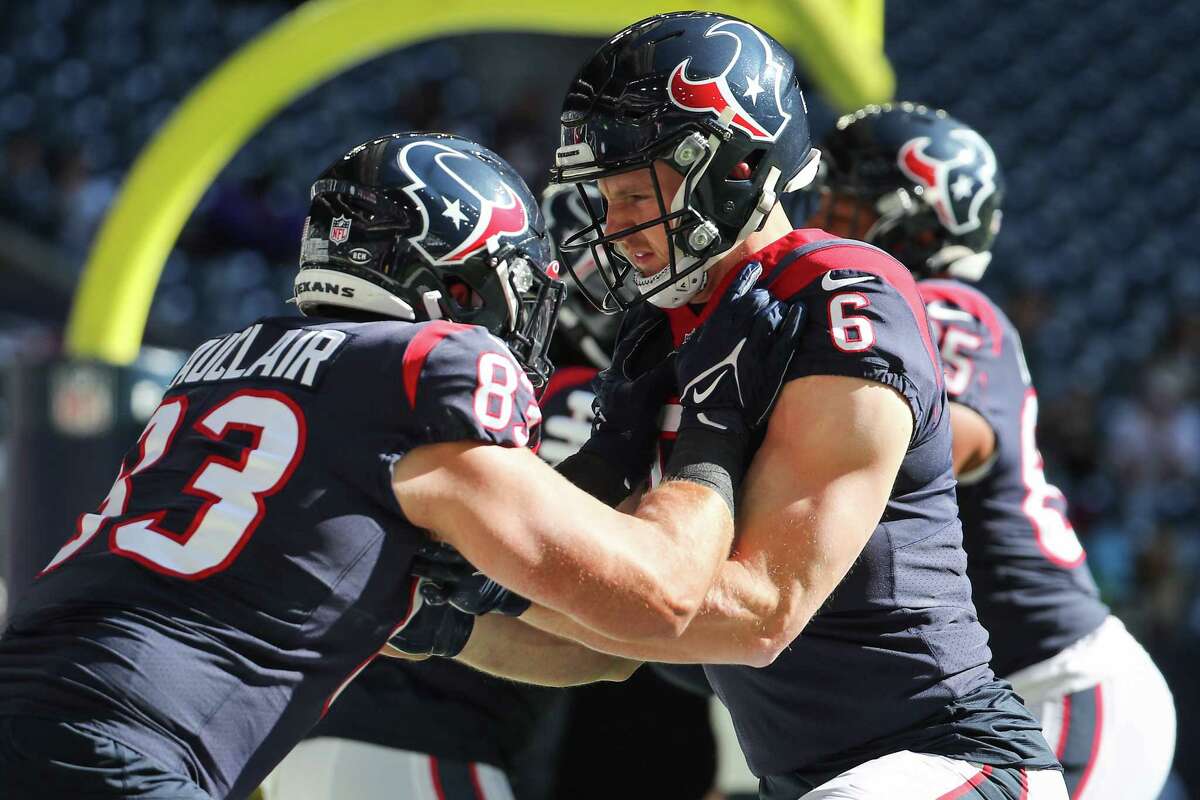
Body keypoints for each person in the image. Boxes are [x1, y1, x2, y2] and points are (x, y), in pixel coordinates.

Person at [0, 132, 801, 800]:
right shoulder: (428, 367)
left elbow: (596, 653)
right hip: (127, 748)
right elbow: (653, 598)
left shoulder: (225, 360)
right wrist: (712, 431)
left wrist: (456, 617)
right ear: (458, 277)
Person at [395, 12, 1070, 800]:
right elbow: (609, 646)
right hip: (816, 779)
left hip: (943, 758)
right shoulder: (663, 325)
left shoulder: (838, 291)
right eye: (602, 197)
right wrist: (433, 614)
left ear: (737, 164)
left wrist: (496, 570)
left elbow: (760, 611)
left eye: (631, 192)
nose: (613, 229)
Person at [812, 101, 1177, 800]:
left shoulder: (944, 305)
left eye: (847, 201)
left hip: (1061, 682)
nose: (823, 215)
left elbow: (947, 440)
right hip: (987, 704)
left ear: (919, 221)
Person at [261, 186, 619, 800]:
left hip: (300, 723)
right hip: (411, 736)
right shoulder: (562, 398)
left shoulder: (378, 374)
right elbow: (614, 634)